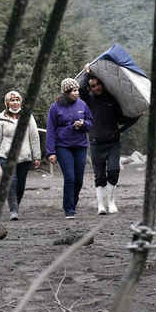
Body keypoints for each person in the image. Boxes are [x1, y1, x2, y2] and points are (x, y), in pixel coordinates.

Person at [78, 64, 140, 215]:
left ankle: (111, 202)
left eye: (98, 84)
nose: (97, 87)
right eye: (93, 86)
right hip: (95, 143)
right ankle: (101, 205)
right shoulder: (88, 100)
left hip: (113, 142)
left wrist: (136, 116)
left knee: (113, 170)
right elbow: (80, 89)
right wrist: (86, 73)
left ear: (102, 84)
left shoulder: (112, 98)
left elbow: (120, 118)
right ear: (90, 88)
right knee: (99, 175)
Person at [0, 91, 41, 221]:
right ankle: (13, 210)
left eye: (17, 99)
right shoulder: (1, 119)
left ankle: (15, 206)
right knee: (12, 182)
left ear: (21, 102)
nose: (15, 102)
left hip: (24, 156)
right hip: (6, 156)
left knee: (20, 185)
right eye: (12, 100)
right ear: (7, 103)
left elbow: (34, 137)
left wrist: (37, 156)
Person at [46, 78, 94, 219]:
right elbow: (50, 130)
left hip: (80, 146)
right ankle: (69, 209)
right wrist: (51, 152)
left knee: (79, 180)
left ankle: (72, 201)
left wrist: (83, 124)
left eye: (77, 90)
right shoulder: (55, 107)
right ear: (66, 92)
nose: (77, 93)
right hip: (62, 147)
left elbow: (90, 121)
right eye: (73, 91)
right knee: (70, 178)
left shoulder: (82, 104)